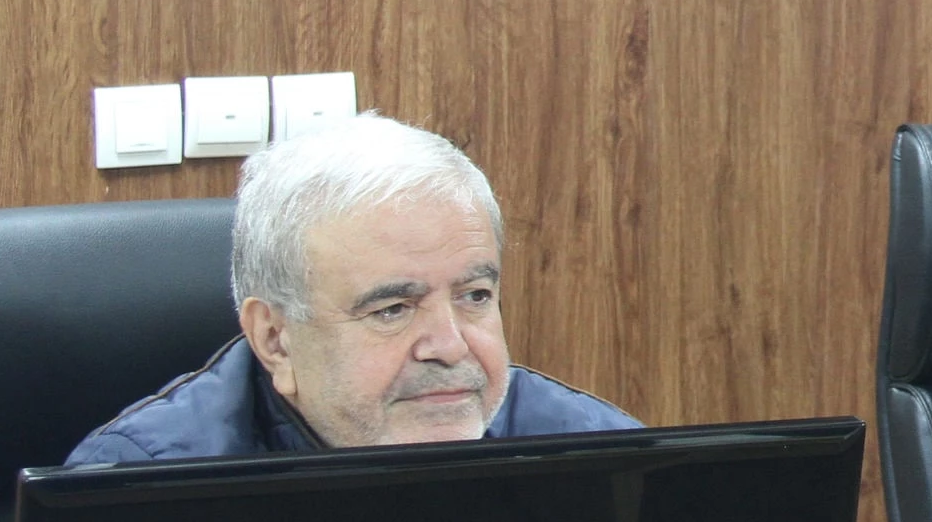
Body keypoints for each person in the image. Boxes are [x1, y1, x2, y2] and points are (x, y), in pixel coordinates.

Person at [67, 111, 635, 463]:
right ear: (276, 339)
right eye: (393, 308)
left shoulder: (598, 456)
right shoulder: (141, 487)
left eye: (474, 297)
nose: (450, 346)